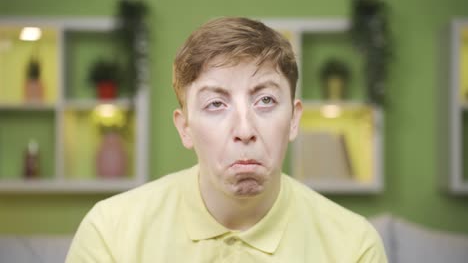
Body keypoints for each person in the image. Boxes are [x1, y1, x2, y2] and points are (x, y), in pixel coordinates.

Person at [66, 17, 387, 262]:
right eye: (216, 104)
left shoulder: (354, 245)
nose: (244, 129)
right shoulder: (110, 231)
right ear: (185, 128)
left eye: (265, 101)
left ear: (293, 120)